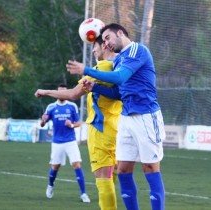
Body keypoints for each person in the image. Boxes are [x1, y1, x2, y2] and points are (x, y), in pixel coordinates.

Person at [66, 23, 166, 210]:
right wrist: (95, 87)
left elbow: (119, 77)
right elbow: (118, 94)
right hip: (126, 118)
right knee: (123, 170)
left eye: (107, 38)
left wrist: (86, 70)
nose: (106, 44)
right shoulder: (119, 60)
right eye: (103, 41)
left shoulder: (137, 50)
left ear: (120, 33)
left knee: (150, 168)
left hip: (146, 115)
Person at [35, 35, 122, 210]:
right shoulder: (119, 68)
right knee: (111, 178)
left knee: (103, 180)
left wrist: (45, 91)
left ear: (105, 46)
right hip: (117, 129)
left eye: (95, 47)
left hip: (101, 130)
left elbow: (72, 94)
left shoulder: (102, 67)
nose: (93, 50)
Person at [40, 84, 90, 203]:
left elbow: (79, 122)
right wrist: (43, 121)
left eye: (64, 92)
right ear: (57, 93)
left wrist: (71, 125)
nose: (62, 94)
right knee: (55, 167)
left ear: (67, 92)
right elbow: (43, 124)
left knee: (77, 165)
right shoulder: (51, 107)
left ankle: (83, 194)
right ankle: (50, 185)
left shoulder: (72, 106)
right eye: (60, 92)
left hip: (71, 141)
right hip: (57, 142)